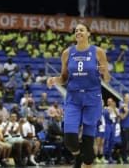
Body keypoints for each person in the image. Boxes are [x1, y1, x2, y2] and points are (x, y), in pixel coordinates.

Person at [47, 23, 111, 168]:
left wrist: (104, 72)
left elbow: (107, 79)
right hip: (73, 99)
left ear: (88, 33)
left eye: (81, 30)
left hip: (92, 99)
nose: (78, 32)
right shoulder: (67, 53)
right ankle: (77, 157)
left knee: (89, 151)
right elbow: (64, 78)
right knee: (69, 140)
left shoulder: (98, 52)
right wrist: (54, 80)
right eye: (76, 31)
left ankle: (84, 160)